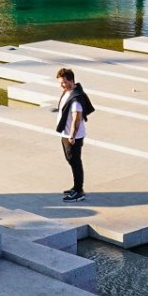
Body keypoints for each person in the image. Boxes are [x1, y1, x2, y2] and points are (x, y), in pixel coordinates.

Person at [55, 67, 91, 202]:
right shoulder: (68, 92)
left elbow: (77, 117)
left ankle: (78, 191)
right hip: (66, 134)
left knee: (75, 162)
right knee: (71, 160)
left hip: (73, 136)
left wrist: (72, 135)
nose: (61, 85)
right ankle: (76, 187)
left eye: (63, 82)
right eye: (60, 82)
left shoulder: (75, 98)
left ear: (71, 80)